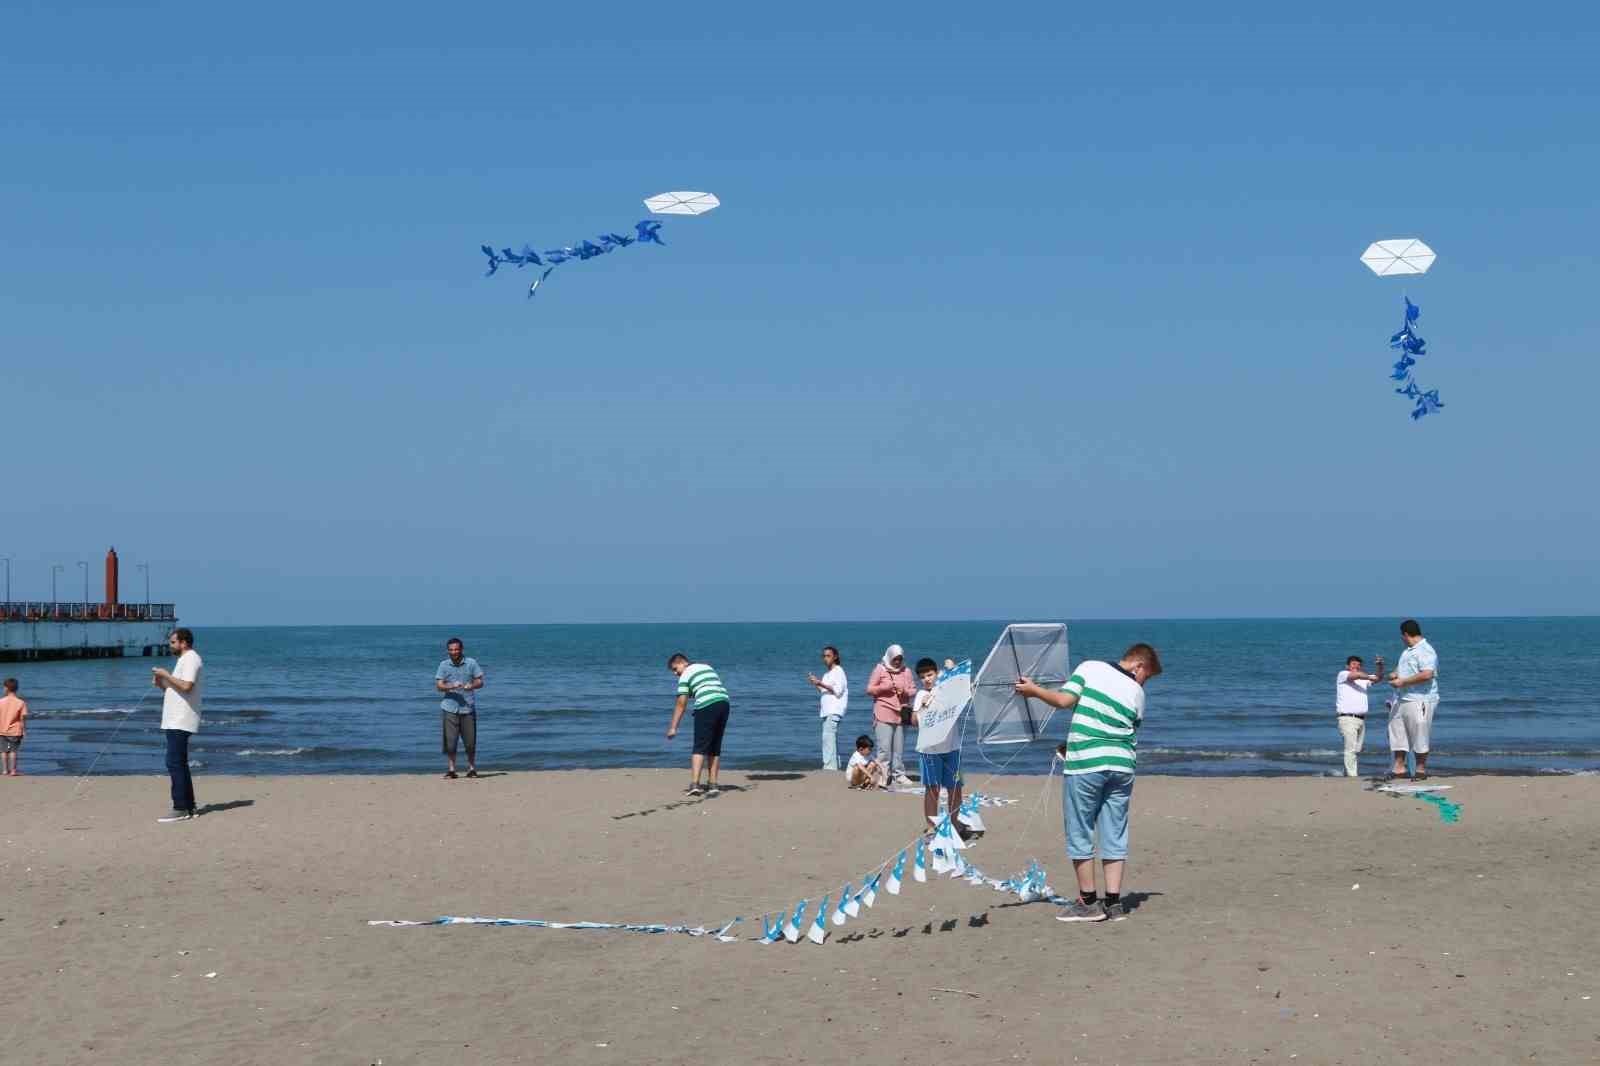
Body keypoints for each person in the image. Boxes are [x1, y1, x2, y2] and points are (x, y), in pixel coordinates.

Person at [1016, 642, 1163, 923]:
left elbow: (1064, 701)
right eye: (1148, 675)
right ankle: (1114, 903)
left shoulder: (1090, 668)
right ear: (1138, 665)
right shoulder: (1137, 693)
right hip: (1122, 766)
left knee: (1080, 828)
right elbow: (1123, 731)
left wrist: (1033, 690)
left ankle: (1087, 901)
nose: (1145, 681)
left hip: (1087, 764)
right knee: (1114, 831)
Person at [151, 628, 203, 822]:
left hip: (181, 719)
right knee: (179, 762)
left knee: (174, 762)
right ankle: (189, 806)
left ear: (184, 643)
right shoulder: (184, 660)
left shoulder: (191, 658)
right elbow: (177, 688)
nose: (170, 645)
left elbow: (187, 686)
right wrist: (161, 683)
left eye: (173, 642)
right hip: (175, 718)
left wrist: (165, 674)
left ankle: (180, 807)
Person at [912, 658, 964, 833]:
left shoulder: (946, 689)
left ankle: (954, 822)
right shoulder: (921, 695)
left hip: (952, 747)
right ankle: (931, 825)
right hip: (930, 750)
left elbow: (961, 685)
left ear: (936, 673)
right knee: (932, 789)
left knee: (955, 788)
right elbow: (915, 721)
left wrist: (952, 667)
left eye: (930, 674)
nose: (927, 679)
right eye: (922, 676)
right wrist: (923, 707)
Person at [667, 654, 730, 797]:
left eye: (675, 669)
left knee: (700, 745)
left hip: (706, 705)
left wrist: (673, 727)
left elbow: (681, 703)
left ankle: (695, 784)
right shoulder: (707, 667)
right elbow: (709, 686)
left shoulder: (685, 675)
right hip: (724, 703)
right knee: (715, 745)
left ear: (683, 663)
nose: (675, 673)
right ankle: (713, 784)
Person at [1387, 619, 1440, 781]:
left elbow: (1427, 674)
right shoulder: (1408, 651)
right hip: (1402, 698)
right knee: (1398, 734)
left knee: (1420, 734)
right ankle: (1399, 768)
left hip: (1420, 699)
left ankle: (1420, 770)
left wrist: (1403, 681)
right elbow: (1403, 667)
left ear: (1405, 634)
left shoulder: (1425, 650)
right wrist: (1395, 674)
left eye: (1401, 636)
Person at [865, 644, 915, 788]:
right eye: (895, 659)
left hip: (902, 714)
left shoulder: (907, 671)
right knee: (884, 749)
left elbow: (913, 691)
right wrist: (883, 688)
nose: (897, 662)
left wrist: (905, 691)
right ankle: (883, 775)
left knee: (899, 748)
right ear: (889, 657)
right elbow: (869, 689)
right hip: (883, 712)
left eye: (900, 659)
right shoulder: (880, 669)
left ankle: (899, 774)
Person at [435, 637, 485, 779]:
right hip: (449, 708)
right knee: (450, 742)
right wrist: (450, 686)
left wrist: (472, 685)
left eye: (456, 649)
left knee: (470, 742)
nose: (454, 652)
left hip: (468, 708)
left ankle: (472, 769)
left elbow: (480, 681)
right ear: (447, 651)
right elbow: (439, 686)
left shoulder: (471, 663)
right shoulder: (443, 665)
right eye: (451, 650)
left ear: (461, 649)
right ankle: (451, 770)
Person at [1335, 655, 1380, 778]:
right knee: (1350, 749)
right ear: (1348, 666)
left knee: (1355, 749)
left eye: (1359, 665)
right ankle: (1352, 776)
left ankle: (1347, 773)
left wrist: (1379, 666)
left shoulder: (1363, 679)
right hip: (1347, 718)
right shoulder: (1343, 674)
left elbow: (1378, 678)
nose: (1356, 666)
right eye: (1354, 664)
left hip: (1361, 719)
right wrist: (1368, 676)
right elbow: (1357, 676)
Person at [807, 646, 849, 771]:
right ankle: (834, 766)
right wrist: (816, 684)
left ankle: (830, 767)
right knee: (830, 738)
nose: (825, 658)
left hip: (834, 710)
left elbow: (838, 690)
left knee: (828, 738)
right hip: (827, 711)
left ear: (835, 657)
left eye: (828, 656)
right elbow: (824, 691)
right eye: (824, 656)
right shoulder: (827, 674)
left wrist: (820, 682)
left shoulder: (838, 671)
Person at [0, 678, 27, 777]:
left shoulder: (1, 701)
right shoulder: (20, 702)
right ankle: (13, 770)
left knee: (3, 751)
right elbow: (22, 718)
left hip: (2, 730)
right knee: (13, 750)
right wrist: (24, 731)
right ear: (16, 688)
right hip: (15, 730)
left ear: (6, 688)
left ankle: (4, 770)